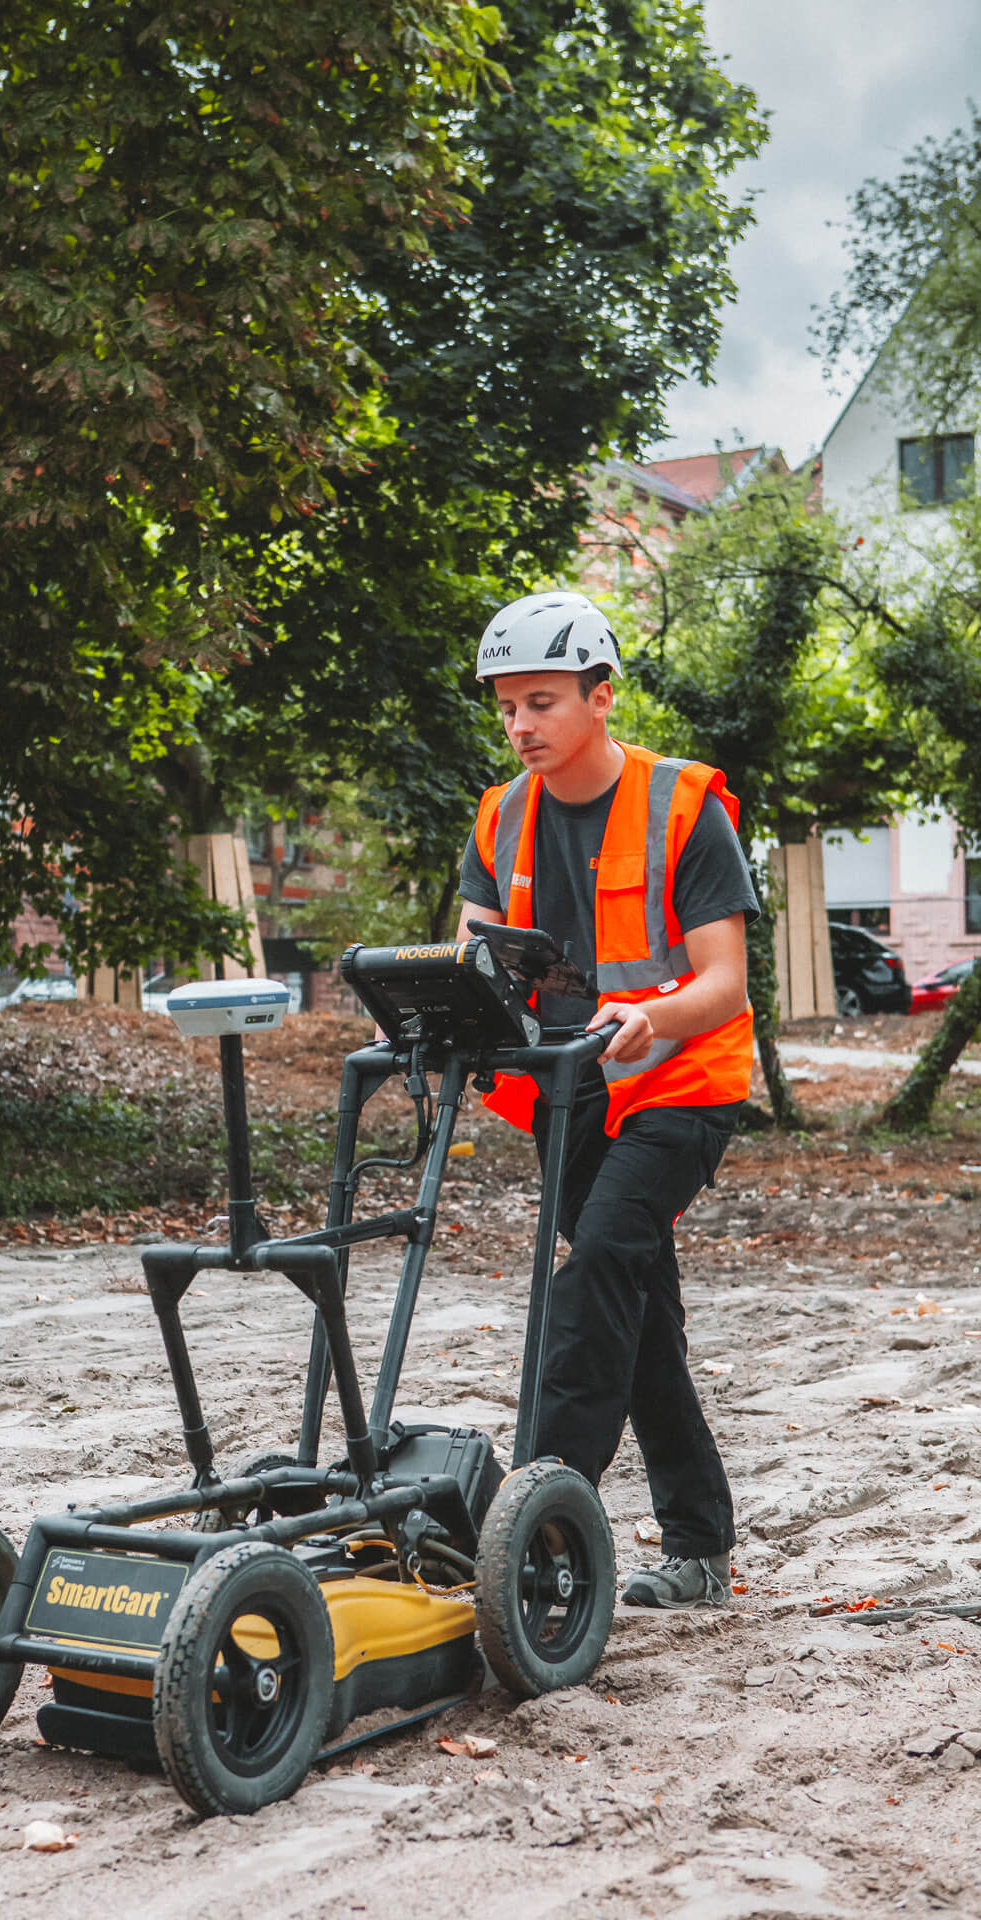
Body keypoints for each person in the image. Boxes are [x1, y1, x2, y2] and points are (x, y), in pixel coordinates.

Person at [458, 588, 759, 1609]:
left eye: (540, 702)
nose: (518, 726)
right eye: (505, 707)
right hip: (572, 1094)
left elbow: (724, 983)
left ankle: (537, 1523)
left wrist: (649, 1015)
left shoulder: (683, 806)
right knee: (636, 1312)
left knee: (593, 1273)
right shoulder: (500, 817)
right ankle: (699, 1546)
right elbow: (475, 961)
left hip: (677, 1081)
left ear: (600, 696)